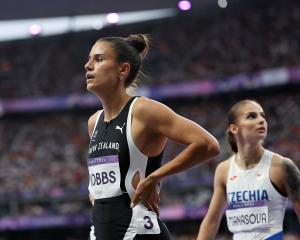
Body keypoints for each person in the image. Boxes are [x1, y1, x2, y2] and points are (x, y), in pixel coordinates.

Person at [84, 33, 220, 240]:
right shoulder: (94, 122)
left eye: (99, 59)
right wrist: (95, 191)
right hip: (102, 231)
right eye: (89, 59)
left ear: (123, 69)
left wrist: (155, 178)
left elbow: (208, 144)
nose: (88, 65)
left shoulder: (143, 110)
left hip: (139, 232)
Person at [197, 99, 300, 240]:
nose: (261, 120)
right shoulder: (224, 170)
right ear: (234, 128)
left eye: (262, 116)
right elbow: (211, 221)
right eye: (251, 116)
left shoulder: (282, 166)